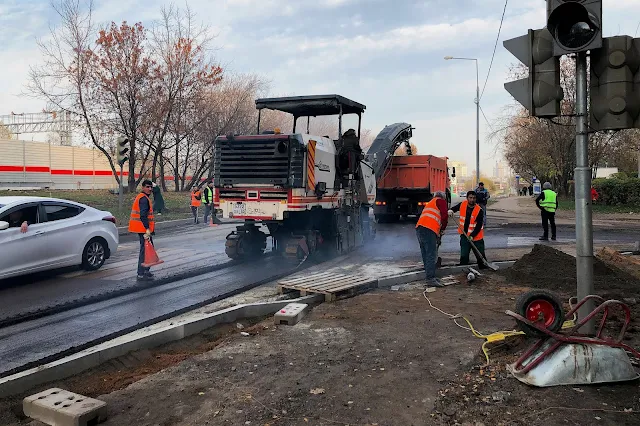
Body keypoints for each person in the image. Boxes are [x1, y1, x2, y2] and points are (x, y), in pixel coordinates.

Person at [415, 191, 449, 287]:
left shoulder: (431, 202)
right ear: (443, 197)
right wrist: (442, 229)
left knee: (425, 253)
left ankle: (429, 275)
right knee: (431, 254)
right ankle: (430, 278)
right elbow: (444, 216)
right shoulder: (441, 201)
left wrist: (438, 234)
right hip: (429, 229)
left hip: (419, 228)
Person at [449, 191, 487, 269]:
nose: (472, 200)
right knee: (464, 255)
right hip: (464, 235)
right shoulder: (463, 204)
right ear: (467, 198)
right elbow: (455, 208)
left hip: (476, 238)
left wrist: (472, 235)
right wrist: (451, 210)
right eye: (470, 198)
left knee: (480, 255)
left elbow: (479, 226)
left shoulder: (479, 210)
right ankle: (463, 269)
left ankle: (484, 268)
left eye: (474, 198)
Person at [129, 180, 156, 281]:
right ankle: (141, 272)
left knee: (148, 249)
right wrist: (147, 229)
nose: (150, 189)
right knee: (145, 251)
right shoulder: (144, 199)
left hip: (142, 228)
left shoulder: (143, 197)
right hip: (143, 229)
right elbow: (143, 215)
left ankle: (145, 270)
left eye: (151, 187)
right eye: (147, 187)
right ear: (143, 187)